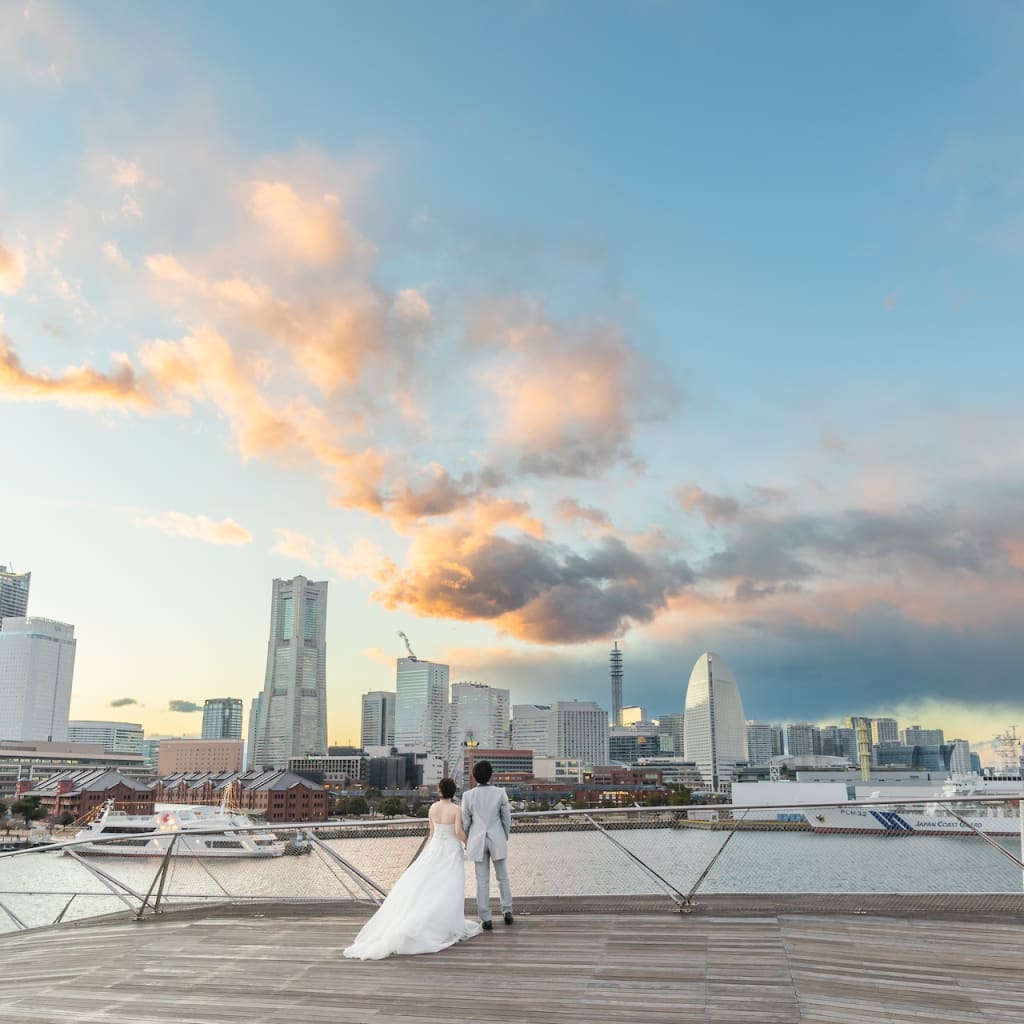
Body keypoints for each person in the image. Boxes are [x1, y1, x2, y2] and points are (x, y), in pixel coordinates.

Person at [343, 778, 481, 960]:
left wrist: (431, 849)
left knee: (427, 887)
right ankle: (445, 924)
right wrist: (468, 843)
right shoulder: (456, 809)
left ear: (440, 790)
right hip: (450, 851)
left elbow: (432, 833)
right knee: (449, 887)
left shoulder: (432, 808)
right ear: (453, 791)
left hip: (434, 849)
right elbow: (457, 832)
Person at [460, 760, 513, 928]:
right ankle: (507, 911)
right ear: (490, 775)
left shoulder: (468, 796)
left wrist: (468, 838)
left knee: (482, 879)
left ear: (474, 777)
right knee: (502, 876)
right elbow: (506, 818)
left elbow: (466, 821)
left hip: (477, 839)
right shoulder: (500, 793)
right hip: (496, 837)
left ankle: (485, 918)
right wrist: (504, 834)